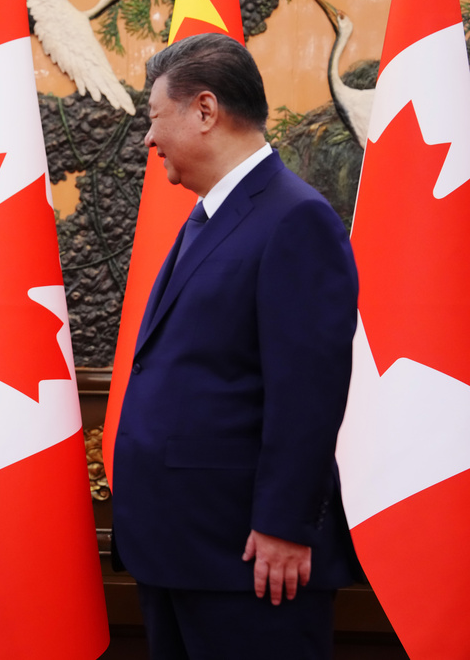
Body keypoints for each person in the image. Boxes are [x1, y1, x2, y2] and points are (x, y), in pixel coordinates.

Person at [111, 33, 360, 659]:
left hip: (249, 558)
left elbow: (307, 392)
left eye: (154, 118)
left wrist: (284, 525)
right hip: (183, 549)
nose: (148, 138)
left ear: (204, 110)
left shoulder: (294, 219)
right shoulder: (210, 217)